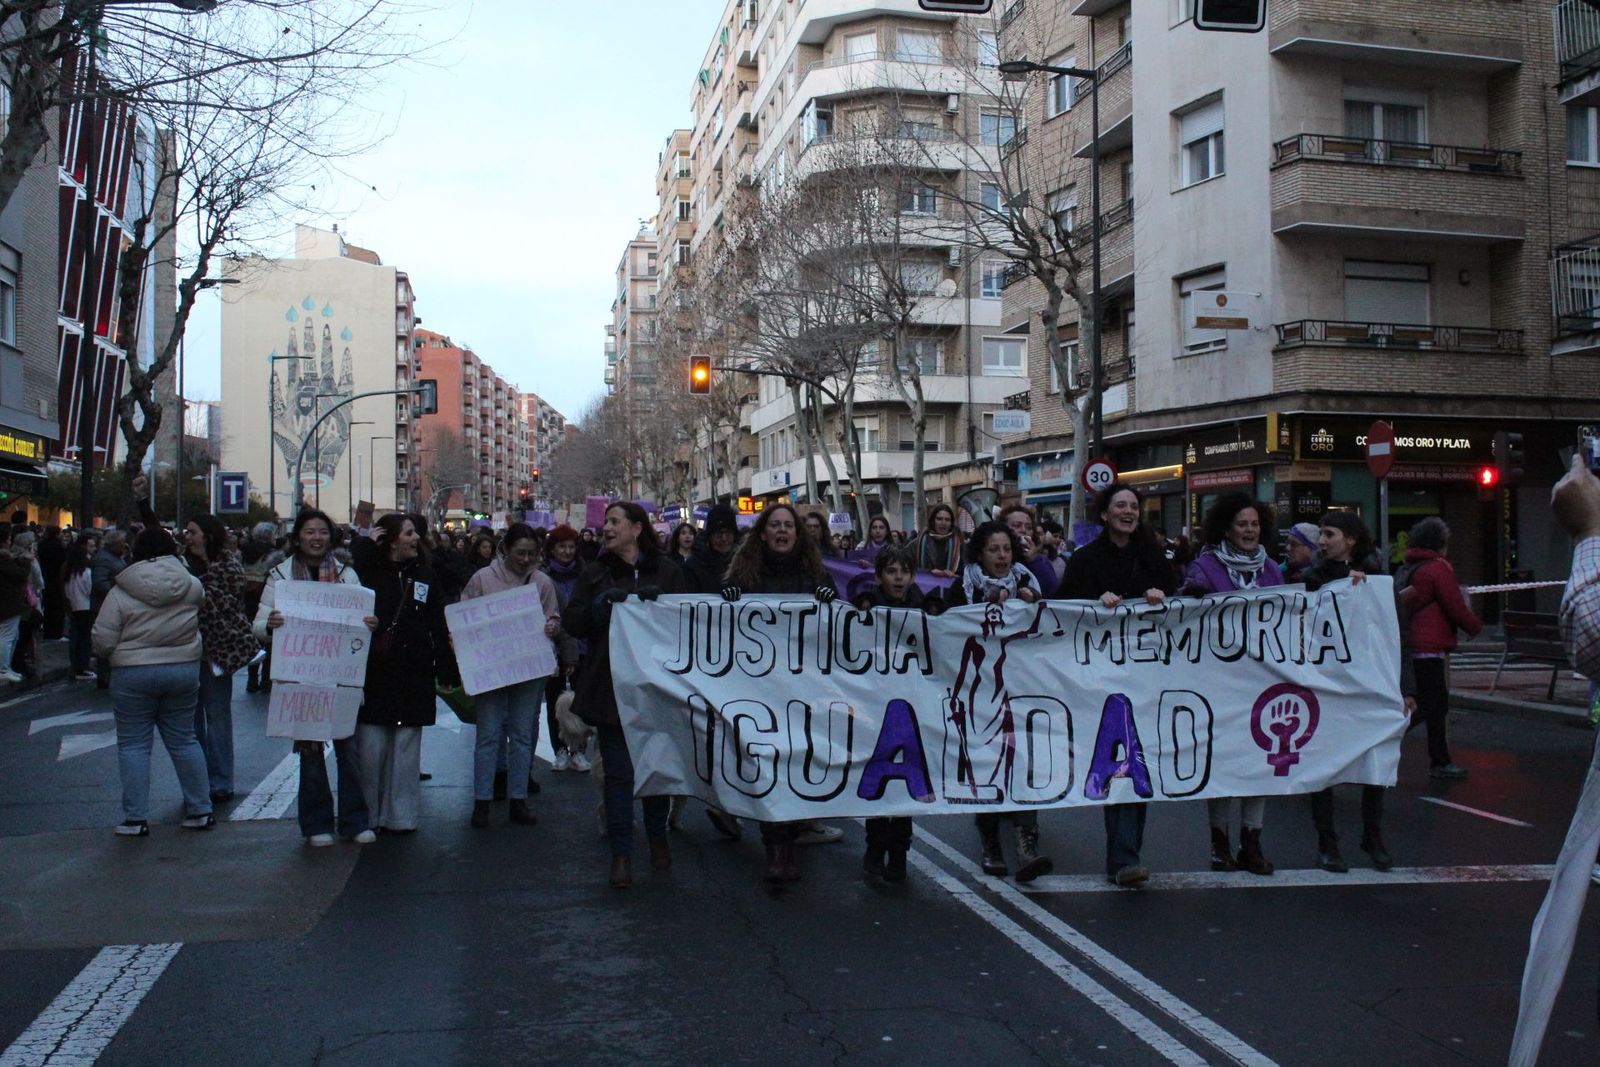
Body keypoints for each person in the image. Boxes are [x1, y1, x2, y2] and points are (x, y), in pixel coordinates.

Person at [1060, 483, 1179, 888]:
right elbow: (1064, 608)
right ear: (1105, 514)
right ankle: (1122, 856)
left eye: (1134, 506)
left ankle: (1126, 856)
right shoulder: (1085, 560)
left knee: (1135, 760)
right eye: (1121, 506)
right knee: (1112, 759)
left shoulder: (1153, 558)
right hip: (1098, 679)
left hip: (1145, 678)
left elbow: (1179, 601)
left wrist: (1160, 595)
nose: (1128, 512)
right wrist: (1095, 601)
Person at [564, 501, 686, 888]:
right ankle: (621, 854)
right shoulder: (595, 572)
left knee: (656, 767)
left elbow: (688, 623)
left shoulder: (668, 571)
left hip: (658, 687)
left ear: (636, 528)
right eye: (606, 522)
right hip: (611, 686)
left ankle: (657, 836)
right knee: (618, 774)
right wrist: (598, 610)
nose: (607, 528)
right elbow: (574, 622)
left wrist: (663, 609)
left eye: (615, 522)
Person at [719, 503, 840, 884]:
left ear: (798, 534)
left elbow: (837, 619)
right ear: (763, 533)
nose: (783, 531)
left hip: (803, 687)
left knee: (796, 762)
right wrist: (730, 595)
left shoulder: (814, 573)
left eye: (789, 525)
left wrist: (828, 596)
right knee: (767, 762)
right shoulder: (745, 574)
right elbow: (720, 620)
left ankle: (790, 837)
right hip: (760, 687)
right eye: (776, 525)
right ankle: (776, 846)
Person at [257, 510, 378, 846]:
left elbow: (362, 618)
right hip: (301, 678)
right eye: (309, 531)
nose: (316, 537)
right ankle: (316, 824)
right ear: (298, 537)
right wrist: (270, 625)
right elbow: (258, 625)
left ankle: (355, 821)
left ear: (330, 537)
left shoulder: (346, 574)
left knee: (348, 751)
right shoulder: (280, 576)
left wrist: (369, 623)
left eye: (322, 531)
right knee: (310, 755)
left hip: (341, 678)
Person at [1180, 491, 1283, 877]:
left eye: (1255, 524)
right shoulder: (1205, 568)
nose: (1249, 530)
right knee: (1223, 760)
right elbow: (1186, 613)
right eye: (1242, 524)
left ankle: (1252, 841)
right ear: (1227, 528)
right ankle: (1219, 841)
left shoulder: (1271, 570)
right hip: (1219, 682)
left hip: (1263, 682)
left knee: (1260, 759)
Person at [943, 520, 1051, 881]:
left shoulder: (1026, 581)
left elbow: (1056, 611)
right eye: (994, 550)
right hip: (980, 687)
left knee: (1024, 758)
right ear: (980, 554)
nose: (1002, 556)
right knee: (986, 761)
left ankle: (1026, 844)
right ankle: (990, 842)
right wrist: (984, 605)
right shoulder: (964, 587)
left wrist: (1031, 602)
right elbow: (945, 624)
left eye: (1006, 549)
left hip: (1022, 686)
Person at [91, 526, 214, 836]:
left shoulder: (121, 591)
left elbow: (103, 640)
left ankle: (136, 818)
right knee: (185, 740)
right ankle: (201, 809)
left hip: (133, 671)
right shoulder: (192, 586)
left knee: (133, 745)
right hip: (182, 668)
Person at [1301, 511, 1404, 872]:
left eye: (1329, 534)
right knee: (1323, 767)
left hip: (1368, 685)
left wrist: (1406, 688)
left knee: (1375, 761)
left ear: (1351, 539)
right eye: (1321, 534)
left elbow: (1397, 635)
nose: (1322, 541)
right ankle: (1327, 843)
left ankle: (1372, 835)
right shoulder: (1312, 579)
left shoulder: (1378, 581)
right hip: (1326, 685)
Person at [460, 523, 561, 830]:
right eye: (520, 553)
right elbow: (464, 614)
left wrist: (552, 626)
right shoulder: (482, 578)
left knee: (522, 734)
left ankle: (518, 797)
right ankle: (482, 799)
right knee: (488, 735)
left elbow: (553, 615)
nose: (525, 559)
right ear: (505, 550)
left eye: (531, 554)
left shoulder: (542, 581)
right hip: (491, 668)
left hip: (528, 668)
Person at [355, 515, 451, 833]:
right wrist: (366, 544)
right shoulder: (367, 574)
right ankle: (367, 815)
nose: (415, 538)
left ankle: (401, 816)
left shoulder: (425, 575)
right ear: (391, 539)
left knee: (407, 748)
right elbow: (348, 576)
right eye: (408, 533)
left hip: (414, 672)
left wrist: (445, 665)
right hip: (375, 673)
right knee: (371, 749)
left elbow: (438, 621)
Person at [851, 544, 941, 882]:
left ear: (913, 576)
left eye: (904, 571)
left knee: (906, 783)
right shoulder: (867, 608)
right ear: (879, 576)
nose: (898, 577)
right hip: (876, 706)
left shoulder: (922, 608)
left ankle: (900, 851)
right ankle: (875, 846)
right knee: (878, 778)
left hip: (912, 707)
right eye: (891, 571)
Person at [1397, 517, 1481, 780]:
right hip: (1429, 646)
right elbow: (1455, 605)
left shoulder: (1409, 568)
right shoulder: (1437, 569)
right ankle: (1383, 739)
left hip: (1412, 644)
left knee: (1434, 706)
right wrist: (1474, 627)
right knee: (1430, 704)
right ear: (1440, 543)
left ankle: (1441, 760)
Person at [181, 513, 258, 802]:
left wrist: (198, 590)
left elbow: (228, 603)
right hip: (185, 648)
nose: (188, 537)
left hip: (218, 650)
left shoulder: (228, 567)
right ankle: (198, 781)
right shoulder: (180, 565)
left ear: (208, 535)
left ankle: (221, 781)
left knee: (217, 717)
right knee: (190, 722)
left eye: (193, 531)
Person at [542, 524, 589, 773]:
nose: (567, 551)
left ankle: (579, 750)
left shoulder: (585, 574)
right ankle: (559, 750)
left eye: (571, 546)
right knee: (554, 702)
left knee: (583, 701)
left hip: (582, 646)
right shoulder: (543, 577)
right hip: (552, 648)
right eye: (562, 547)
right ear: (552, 549)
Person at [1000, 504, 1060, 599]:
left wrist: (1034, 560)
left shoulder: (1041, 560)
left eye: (1029, 527)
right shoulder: (999, 558)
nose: (1024, 530)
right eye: (1017, 525)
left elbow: (1051, 591)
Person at [62, 537, 96, 679]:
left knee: (76, 638)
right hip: (85, 606)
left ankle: (76, 666)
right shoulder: (86, 572)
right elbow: (90, 590)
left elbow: (67, 592)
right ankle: (82, 667)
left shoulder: (69, 573)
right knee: (85, 638)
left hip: (74, 606)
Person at [0, 525, 27, 683]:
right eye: (9, 539)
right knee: (7, 636)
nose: (10, 542)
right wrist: (25, 562)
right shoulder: (4, 560)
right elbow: (19, 575)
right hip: (8, 603)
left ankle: (6, 667)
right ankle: (3, 669)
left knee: (11, 636)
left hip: (8, 603)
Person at [910, 503, 962, 578]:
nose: (943, 523)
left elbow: (966, 575)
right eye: (939, 519)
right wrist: (929, 572)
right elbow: (907, 567)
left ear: (951, 523)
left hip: (951, 584)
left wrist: (953, 575)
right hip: (924, 584)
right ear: (933, 521)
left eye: (947, 520)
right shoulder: (919, 541)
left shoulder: (959, 545)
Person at [38, 525, 65, 641]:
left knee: (48, 606)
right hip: (56, 579)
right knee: (57, 607)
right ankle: (56, 632)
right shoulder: (58, 547)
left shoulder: (42, 545)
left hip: (46, 577)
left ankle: (48, 631)